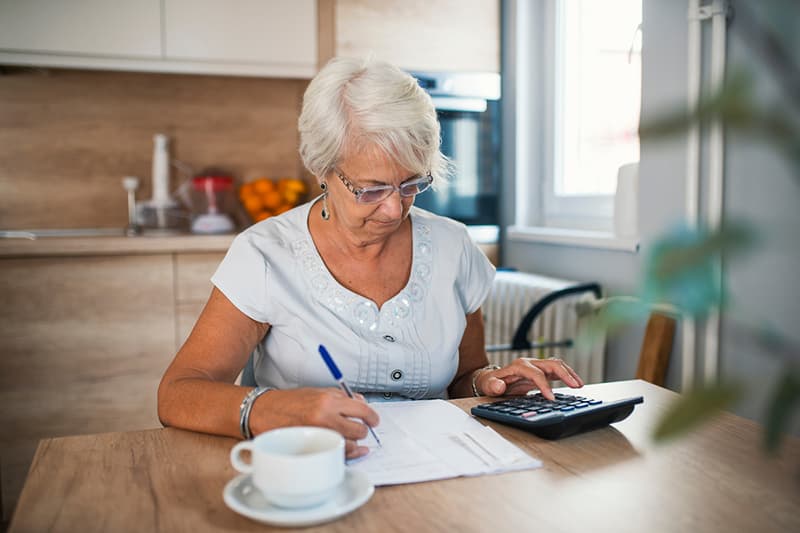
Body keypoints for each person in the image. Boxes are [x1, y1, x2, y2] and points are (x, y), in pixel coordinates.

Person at [158, 56, 584, 459]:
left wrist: (489, 381)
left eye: (411, 184)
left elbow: (462, 378)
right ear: (322, 169)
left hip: (435, 470)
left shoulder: (454, 248)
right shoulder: (266, 253)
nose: (395, 210)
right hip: (315, 470)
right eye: (371, 189)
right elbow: (178, 393)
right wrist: (273, 409)